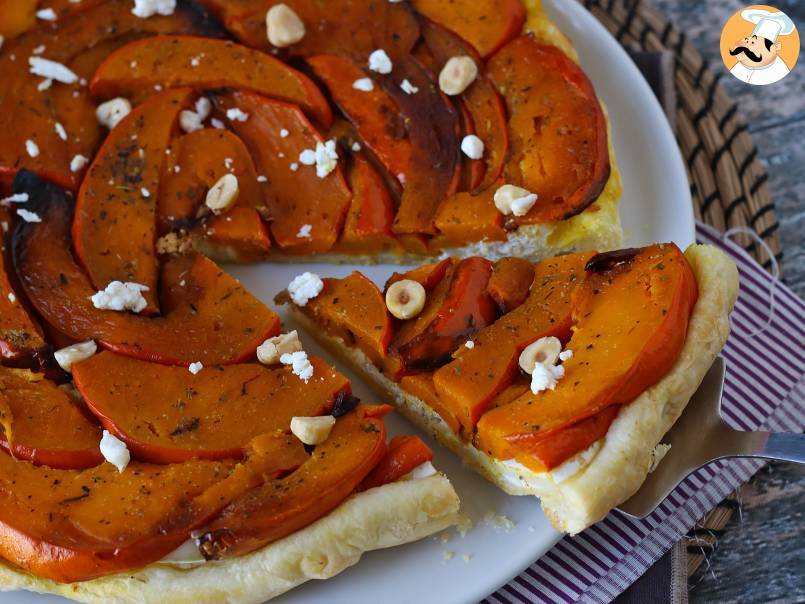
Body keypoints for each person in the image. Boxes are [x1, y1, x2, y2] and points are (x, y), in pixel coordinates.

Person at [728, 9, 795, 86]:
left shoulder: (777, 72)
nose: (745, 45)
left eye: (753, 43)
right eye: (747, 40)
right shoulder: (741, 65)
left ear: (775, 47)